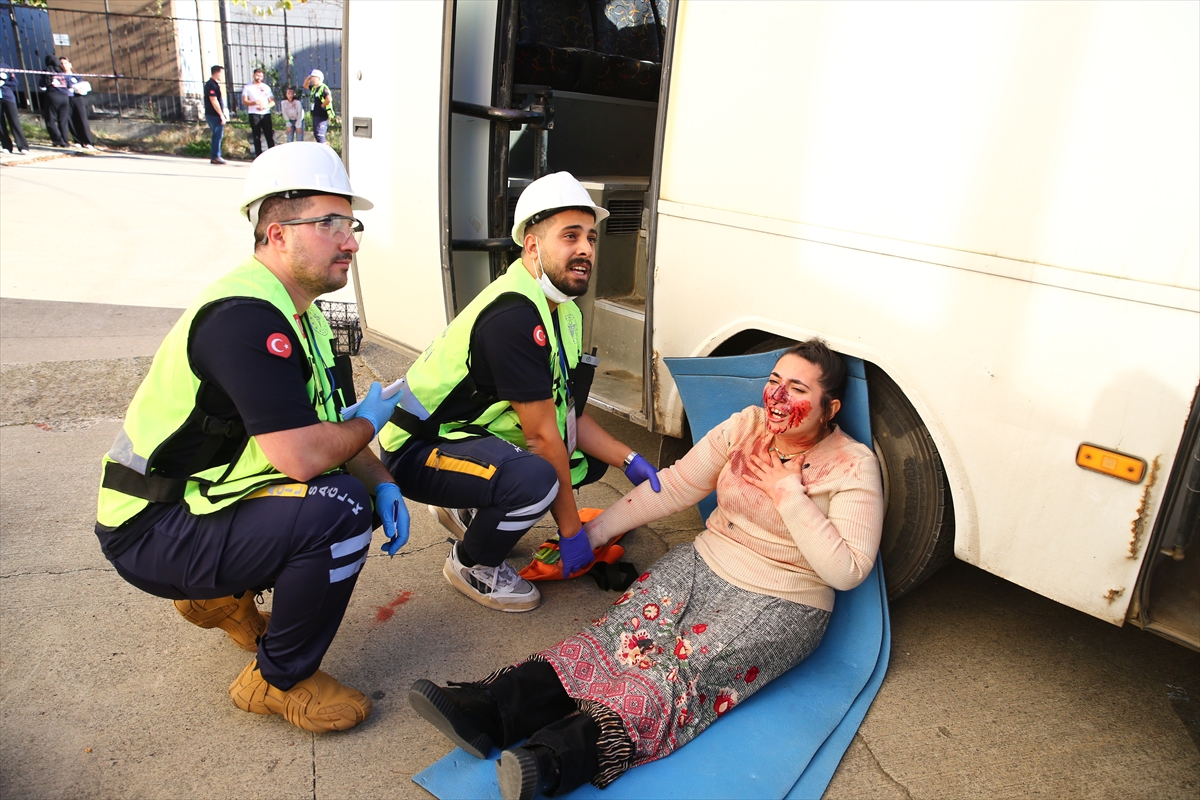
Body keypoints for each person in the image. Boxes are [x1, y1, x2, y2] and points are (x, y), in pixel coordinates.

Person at [408, 339, 885, 799]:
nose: (778, 397)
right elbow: (677, 485)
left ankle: (553, 760)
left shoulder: (851, 465)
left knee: (679, 669)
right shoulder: (748, 426)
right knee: (611, 638)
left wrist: (789, 494)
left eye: (799, 391)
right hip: (706, 561)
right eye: (775, 380)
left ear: (832, 408)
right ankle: (488, 710)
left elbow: (847, 570)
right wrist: (591, 536)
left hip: (783, 599)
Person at [93, 142, 411, 733]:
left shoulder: (304, 313)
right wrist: (371, 425)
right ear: (276, 233)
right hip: (148, 526)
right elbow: (302, 454)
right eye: (330, 224)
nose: (351, 241)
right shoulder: (245, 316)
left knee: (353, 486)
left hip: (193, 504)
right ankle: (276, 680)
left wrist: (385, 481)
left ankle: (219, 596)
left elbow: (330, 421)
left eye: (352, 224)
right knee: (338, 507)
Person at [378, 171, 662, 613]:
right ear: (532, 245)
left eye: (590, 236)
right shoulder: (514, 315)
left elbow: (565, 415)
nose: (586, 248)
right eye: (570, 236)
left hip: (462, 435)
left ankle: (470, 507)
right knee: (539, 477)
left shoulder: (561, 312)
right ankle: (472, 564)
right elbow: (543, 438)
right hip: (417, 451)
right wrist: (571, 534)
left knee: (583, 463)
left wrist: (627, 458)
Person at [60, 56, 95, 150]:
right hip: (66, 98)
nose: (64, 65)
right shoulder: (60, 76)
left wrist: (80, 88)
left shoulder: (76, 75)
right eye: (62, 63)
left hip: (77, 98)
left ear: (70, 64)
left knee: (82, 119)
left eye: (65, 63)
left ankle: (88, 141)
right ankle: (77, 140)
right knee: (70, 119)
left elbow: (82, 84)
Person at [38, 54, 71, 148]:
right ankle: (65, 141)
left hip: (53, 96)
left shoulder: (47, 71)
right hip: (65, 97)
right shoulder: (62, 71)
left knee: (50, 120)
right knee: (63, 121)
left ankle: (57, 140)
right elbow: (69, 85)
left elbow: (42, 86)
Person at [242, 67, 275, 157]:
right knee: (256, 135)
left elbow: (272, 102)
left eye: (261, 76)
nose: (259, 77)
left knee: (269, 134)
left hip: (265, 113)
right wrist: (254, 102)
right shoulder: (248, 87)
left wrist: (265, 106)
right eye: (257, 75)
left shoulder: (266, 87)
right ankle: (258, 154)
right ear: (253, 75)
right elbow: (244, 101)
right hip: (254, 113)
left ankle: (272, 154)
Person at [0, 62, 31, 154]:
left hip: (8, 97)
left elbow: (15, 82)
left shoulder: (5, 67)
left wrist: (4, 82)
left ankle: (23, 146)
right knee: (0, 123)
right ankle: (6, 146)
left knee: (14, 121)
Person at [204, 65, 229, 164]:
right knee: (217, 135)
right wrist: (221, 115)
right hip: (213, 114)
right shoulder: (211, 85)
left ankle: (216, 155)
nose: (222, 75)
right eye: (221, 73)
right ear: (217, 72)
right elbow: (214, 101)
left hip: (214, 114)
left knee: (218, 135)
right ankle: (216, 156)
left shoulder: (214, 84)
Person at [304, 69, 332, 144]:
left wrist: (322, 105)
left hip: (322, 115)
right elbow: (305, 85)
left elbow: (329, 99)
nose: (312, 80)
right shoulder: (314, 88)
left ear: (319, 78)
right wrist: (309, 77)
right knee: (316, 134)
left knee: (320, 135)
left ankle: (324, 152)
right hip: (315, 114)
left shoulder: (323, 88)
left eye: (313, 78)